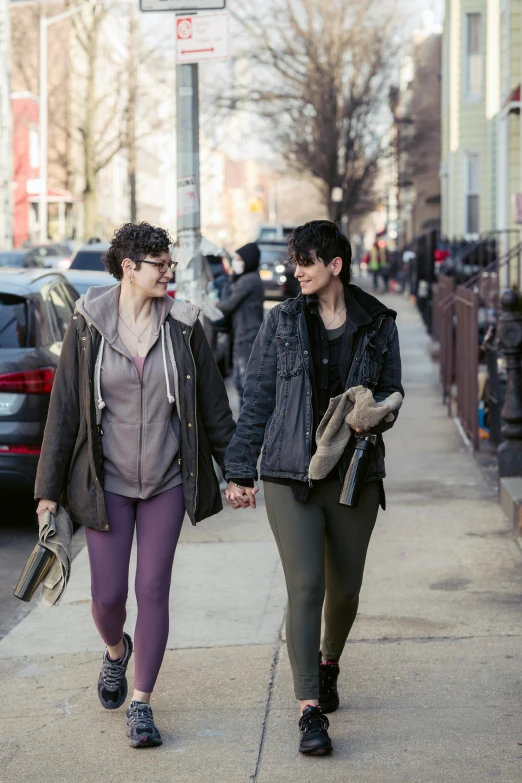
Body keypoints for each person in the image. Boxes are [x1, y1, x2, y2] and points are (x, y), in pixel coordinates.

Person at [34, 221, 235, 749]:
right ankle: (117, 652)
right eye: (160, 265)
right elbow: (64, 413)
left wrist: (237, 471)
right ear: (129, 267)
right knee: (107, 597)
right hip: (108, 483)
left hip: (167, 480)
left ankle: (142, 704)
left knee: (152, 590)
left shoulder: (184, 326)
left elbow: (213, 408)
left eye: (169, 264)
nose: (170, 272)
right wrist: (47, 490)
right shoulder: (88, 325)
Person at [223, 220, 403, 756]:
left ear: (335, 266)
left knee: (344, 591)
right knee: (306, 588)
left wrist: (376, 413)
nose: (295, 270)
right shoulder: (280, 322)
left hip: (353, 475)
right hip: (289, 472)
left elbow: (393, 389)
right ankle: (308, 710)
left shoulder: (378, 322)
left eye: (305, 261)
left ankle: (328, 662)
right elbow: (257, 397)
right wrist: (240, 470)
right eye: (293, 261)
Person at [216, 242, 264, 403]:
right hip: (243, 334)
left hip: (247, 336)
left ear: (248, 261)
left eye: (238, 259)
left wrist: (212, 305)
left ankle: (247, 423)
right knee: (240, 381)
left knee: (244, 382)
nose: (235, 263)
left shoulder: (248, 280)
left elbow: (229, 304)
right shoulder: (249, 278)